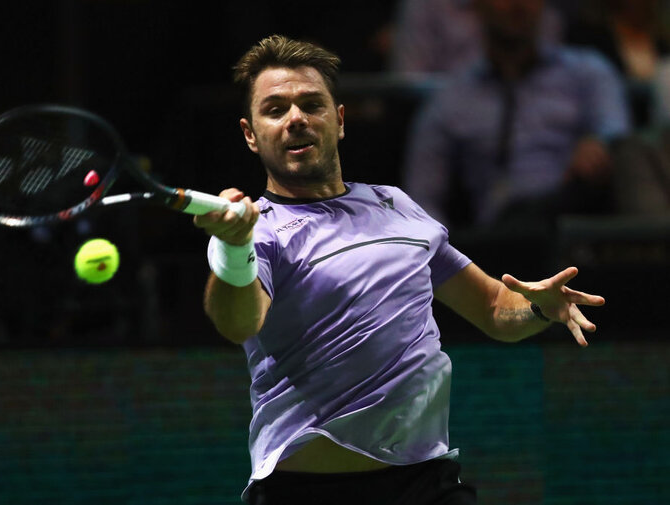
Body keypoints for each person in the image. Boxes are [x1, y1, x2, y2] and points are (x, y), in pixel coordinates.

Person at [193, 34, 605, 505]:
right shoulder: (258, 232)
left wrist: (538, 307)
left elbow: (494, 307)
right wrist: (233, 248)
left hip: (425, 483)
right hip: (306, 491)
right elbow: (238, 323)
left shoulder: (395, 206)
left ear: (339, 120)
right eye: (275, 110)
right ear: (250, 134)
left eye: (311, 104)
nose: (296, 118)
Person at [401, 0, 631, 230]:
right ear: (477, 6)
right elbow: (422, 197)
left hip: (571, 222)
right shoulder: (452, 97)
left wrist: (598, 144)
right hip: (495, 235)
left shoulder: (587, 72)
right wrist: (445, 247)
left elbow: (617, 134)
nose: (518, 4)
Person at [389, 0, 563, 74]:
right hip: (448, 113)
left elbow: (550, 77)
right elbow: (408, 81)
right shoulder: (426, 5)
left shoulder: (537, 9)